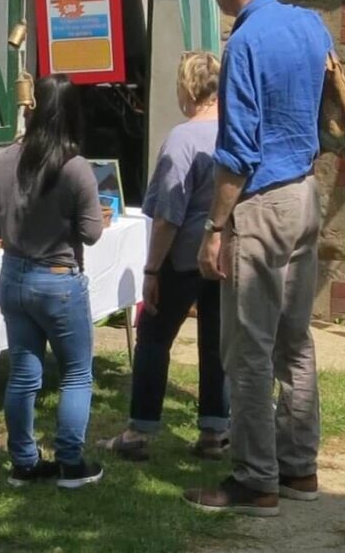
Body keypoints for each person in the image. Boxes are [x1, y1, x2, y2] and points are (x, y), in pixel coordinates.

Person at [184, 0, 330, 516]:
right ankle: (299, 469)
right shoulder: (311, 24)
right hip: (305, 193)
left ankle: (255, 480)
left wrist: (215, 228)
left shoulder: (242, 41)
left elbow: (238, 150)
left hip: (262, 202)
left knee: (248, 349)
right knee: (296, 342)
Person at [98, 52, 229, 461]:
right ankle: (213, 430)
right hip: (225, 254)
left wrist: (151, 268)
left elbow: (169, 214)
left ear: (188, 88)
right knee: (216, 342)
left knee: (153, 336)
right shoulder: (236, 132)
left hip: (182, 256)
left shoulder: (183, 138)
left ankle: (139, 431)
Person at [0, 74, 104, 489]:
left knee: (23, 373)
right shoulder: (75, 168)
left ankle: (24, 462)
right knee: (75, 373)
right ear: (73, 115)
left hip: (14, 274)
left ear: (33, 111)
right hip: (57, 277)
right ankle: (70, 462)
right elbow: (91, 232)